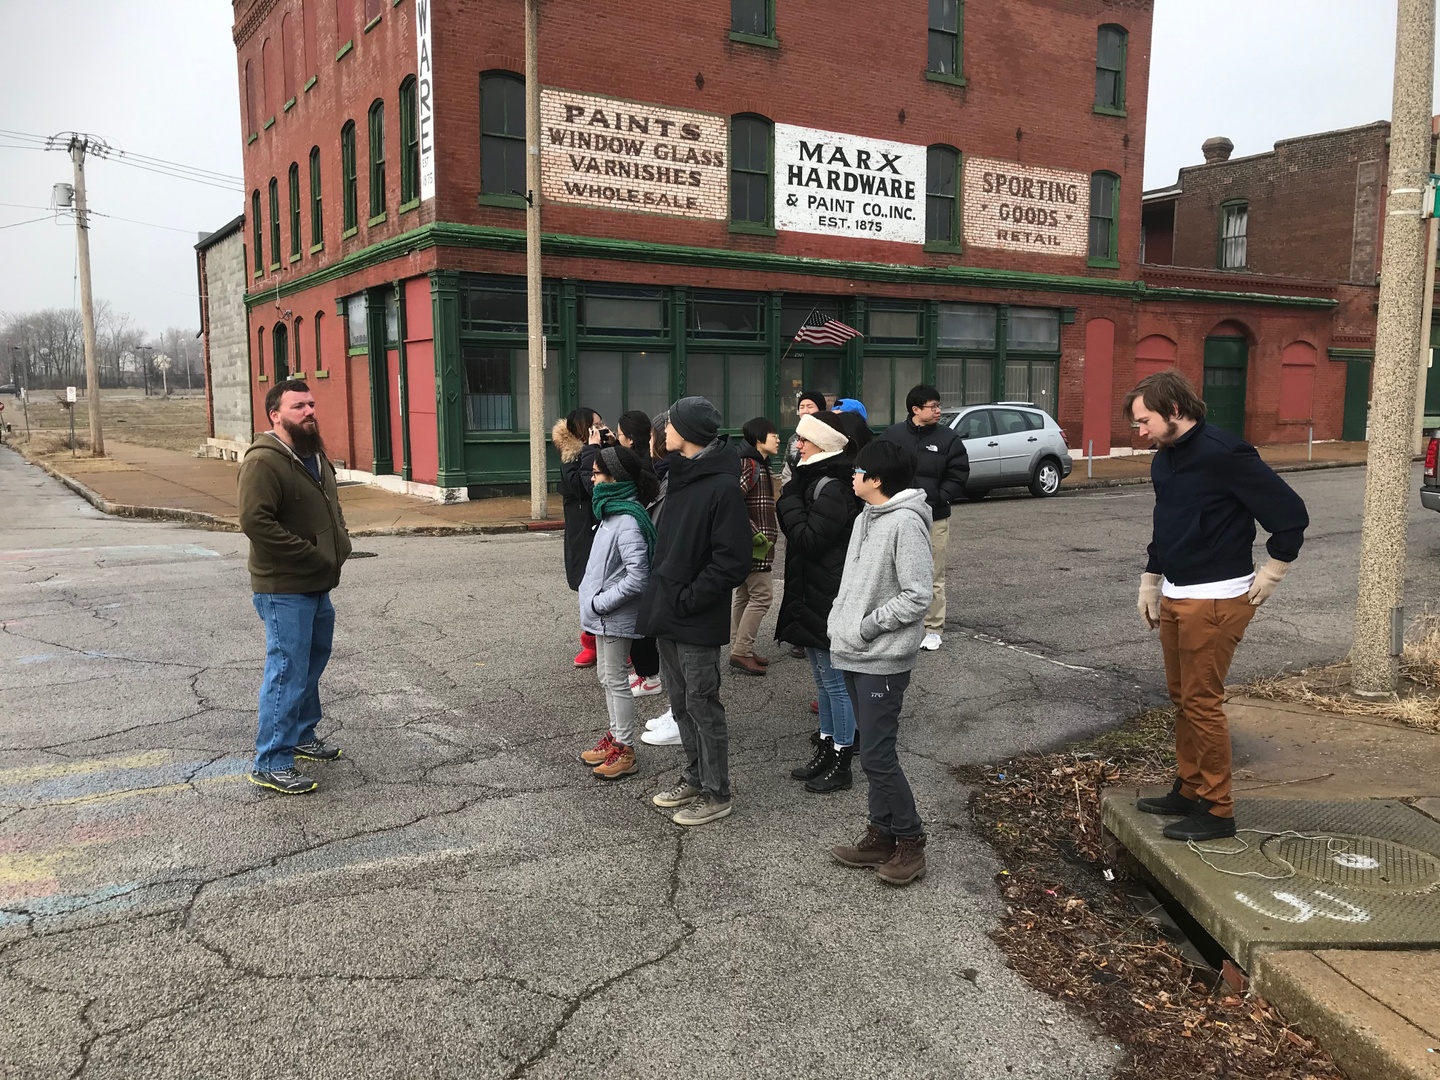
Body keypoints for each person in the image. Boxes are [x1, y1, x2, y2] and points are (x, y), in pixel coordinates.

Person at [1127, 370, 1309, 842]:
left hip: (1218, 597)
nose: (1139, 432)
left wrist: (1274, 571)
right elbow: (1167, 523)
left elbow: (1289, 516)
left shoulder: (1226, 454)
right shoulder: (1164, 460)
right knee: (1183, 699)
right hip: (1176, 592)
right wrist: (1151, 579)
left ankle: (1218, 808)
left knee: (1203, 703)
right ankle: (1188, 790)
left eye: (1144, 421)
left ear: (1176, 411)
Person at [634, 396, 752, 826]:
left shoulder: (720, 485)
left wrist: (688, 598)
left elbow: (732, 561)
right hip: (669, 610)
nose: (663, 429)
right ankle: (695, 776)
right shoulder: (681, 475)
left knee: (702, 703)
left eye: (671, 423)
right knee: (681, 702)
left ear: (688, 432)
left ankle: (717, 792)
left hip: (694, 615)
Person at [827, 439, 934, 886]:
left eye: (858, 471)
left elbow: (917, 595)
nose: (852, 476)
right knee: (872, 751)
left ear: (877, 479)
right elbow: (854, 581)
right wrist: (843, 623)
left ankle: (910, 841)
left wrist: (868, 626)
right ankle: (881, 836)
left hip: (882, 657)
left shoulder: (906, 524)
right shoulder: (864, 518)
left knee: (875, 753)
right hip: (851, 649)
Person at [237, 379, 352, 795]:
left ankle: (302, 734)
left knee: (309, 664)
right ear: (275, 414)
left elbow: (329, 504)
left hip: (317, 582)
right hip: (284, 585)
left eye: (311, 404)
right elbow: (255, 522)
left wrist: (339, 537)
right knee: (286, 671)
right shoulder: (263, 461)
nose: (308, 411)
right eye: (298, 406)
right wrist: (309, 553)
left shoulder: (312, 453)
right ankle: (271, 761)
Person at [776, 411, 863, 794]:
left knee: (835, 683)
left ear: (822, 445)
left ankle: (841, 760)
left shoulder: (834, 487)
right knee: (822, 681)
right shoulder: (816, 481)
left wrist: (789, 498)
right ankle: (827, 747)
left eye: (804, 440)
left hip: (826, 595)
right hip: (811, 592)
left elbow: (810, 540)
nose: (797, 445)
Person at [577, 445, 660, 781]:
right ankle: (616, 737)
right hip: (603, 615)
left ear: (614, 477)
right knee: (607, 678)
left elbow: (638, 576)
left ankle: (625, 749)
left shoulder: (627, 519)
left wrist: (600, 603)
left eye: (596, 474)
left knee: (615, 680)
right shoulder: (611, 513)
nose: (592, 480)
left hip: (613, 615)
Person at [880, 384, 969, 652]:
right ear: (915, 409)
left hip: (935, 516)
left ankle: (932, 628)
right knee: (894, 571)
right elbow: (878, 466)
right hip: (897, 515)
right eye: (933, 406)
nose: (938, 410)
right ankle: (899, 622)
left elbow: (959, 473)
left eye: (938, 405)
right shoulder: (893, 435)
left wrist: (941, 496)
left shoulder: (948, 438)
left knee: (933, 572)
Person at [641, 413, 685, 748]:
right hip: (664, 579)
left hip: (675, 582)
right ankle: (676, 710)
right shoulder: (665, 476)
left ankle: (680, 716)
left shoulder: (676, 479)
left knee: (682, 661)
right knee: (669, 656)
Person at [553, 407, 607, 668]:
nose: (600, 428)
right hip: (583, 533)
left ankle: (617, 640)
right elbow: (586, 486)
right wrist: (592, 452)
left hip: (606, 528)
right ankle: (591, 642)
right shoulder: (571, 458)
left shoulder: (604, 451)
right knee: (587, 587)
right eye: (595, 425)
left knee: (611, 585)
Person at [616, 410, 663, 699]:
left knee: (638, 615)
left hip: (641, 552)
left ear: (631, 439)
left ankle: (649, 675)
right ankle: (645, 670)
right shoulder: (651, 464)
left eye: (619, 436)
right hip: (645, 551)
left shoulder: (639, 470)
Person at [730, 417, 781, 677]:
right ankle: (741, 651)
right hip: (754, 544)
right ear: (759, 439)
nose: (778, 439)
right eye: (773, 435)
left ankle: (741, 649)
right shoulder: (749, 464)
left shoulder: (759, 463)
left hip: (752, 543)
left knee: (744, 595)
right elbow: (733, 501)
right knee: (762, 596)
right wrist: (756, 534)